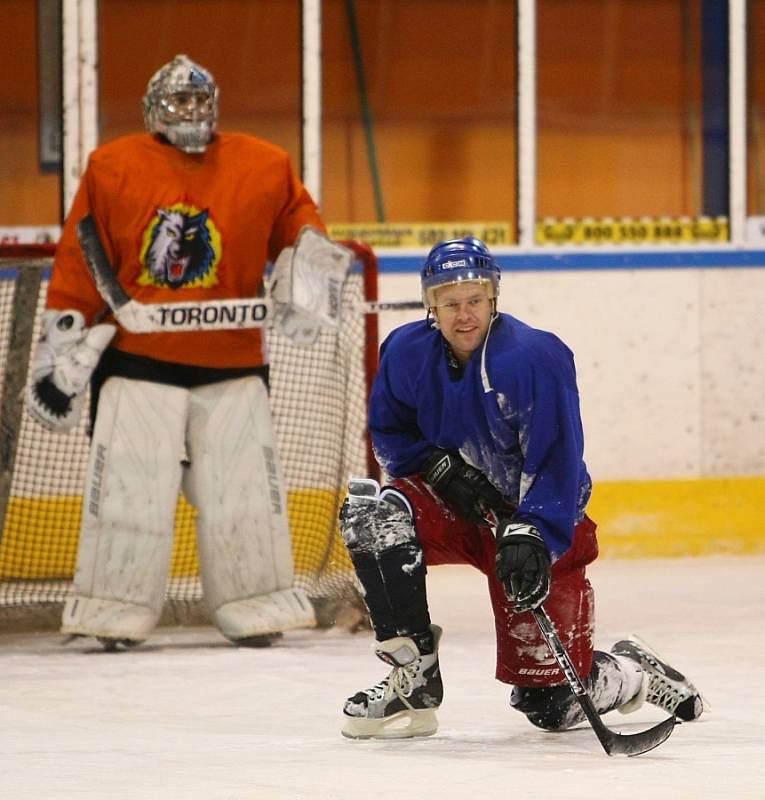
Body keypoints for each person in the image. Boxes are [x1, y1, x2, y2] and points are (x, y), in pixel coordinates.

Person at [338, 237, 706, 739]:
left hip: (537, 524)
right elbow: (390, 433)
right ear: (431, 305)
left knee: (549, 705)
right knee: (374, 516)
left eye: (474, 301)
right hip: (459, 514)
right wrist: (437, 467)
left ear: (493, 300)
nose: (463, 315)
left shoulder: (534, 358)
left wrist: (532, 530)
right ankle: (413, 676)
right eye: (450, 303)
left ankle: (630, 674)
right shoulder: (405, 352)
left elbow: (559, 461)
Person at [25, 54, 332, 650]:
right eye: (178, 101)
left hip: (234, 364)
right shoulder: (111, 167)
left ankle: (256, 603)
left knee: (242, 494)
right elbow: (80, 257)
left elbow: (304, 229)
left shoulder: (265, 164)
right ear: (151, 110)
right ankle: (112, 607)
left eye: (198, 101)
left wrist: (308, 276)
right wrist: (58, 349)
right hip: (138, 363)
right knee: (129, 491)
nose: (189, 111)